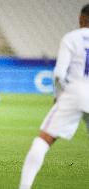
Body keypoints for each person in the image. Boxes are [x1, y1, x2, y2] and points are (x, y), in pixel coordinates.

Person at [19, 4, 89, 189]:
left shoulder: (71, 38)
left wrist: (58, 96)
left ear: (81, 19)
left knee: (43, 140)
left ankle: (24, 187)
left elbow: (59, 74)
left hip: (74, 92)